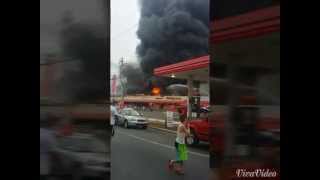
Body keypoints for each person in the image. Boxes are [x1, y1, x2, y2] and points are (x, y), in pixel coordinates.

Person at [40, 113, 59, 180]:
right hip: (43, 167)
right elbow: (53, 152)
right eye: (54, 122)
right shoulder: (49, 135)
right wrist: (58, 165)